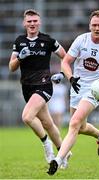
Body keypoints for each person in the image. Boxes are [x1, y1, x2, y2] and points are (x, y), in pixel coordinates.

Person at [48, 10, 99, 175]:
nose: (96, 28)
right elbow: (65, 62)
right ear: (89, 25)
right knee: (80, 127)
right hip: (77, 86)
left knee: (74, 123)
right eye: (94, 25)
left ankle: (58, 161)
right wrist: (71, 78)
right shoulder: (81, 40)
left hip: (94, 90)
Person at [9, 9, 71, 169]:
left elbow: (66, 57)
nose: (32, 24)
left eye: (35, 21)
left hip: (44, 85)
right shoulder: (19, 41)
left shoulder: (48, 40)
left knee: (27, 117)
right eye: (29, 21)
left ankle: (46, 145)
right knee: (48, 123)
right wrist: (19, 57)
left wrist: (63, 74)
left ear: (39, 22)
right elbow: (11, 67)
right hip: (27, 87)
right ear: (24, 23)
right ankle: (64, 152)